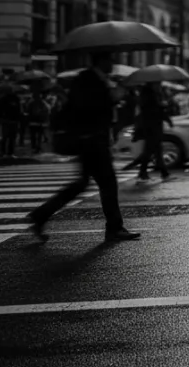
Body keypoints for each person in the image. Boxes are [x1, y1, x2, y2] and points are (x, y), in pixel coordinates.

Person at [27, 52, 140, 242]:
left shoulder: (96, 79)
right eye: (109, 60)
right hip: (90, 140)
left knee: (84, 184)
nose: (112, 64)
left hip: (92, 140)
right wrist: (113, 97)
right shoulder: (87, 79)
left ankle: (41, 215)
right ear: (101, 60)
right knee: (107, 184)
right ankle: (114, 228)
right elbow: (87, 107)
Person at [133, 82, 174, 182]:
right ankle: (161, 173)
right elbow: (153, 111)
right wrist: (162, 106)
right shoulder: (148, 95)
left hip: (153, 126)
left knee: (155, 150)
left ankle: (153, 173)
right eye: (157, 84)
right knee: (152, 150)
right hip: (151, 127)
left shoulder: (153, 94)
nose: (159, 85)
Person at [0, 87, 22, 157]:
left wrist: (18, 118)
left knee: (12, 137)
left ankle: (10, 152)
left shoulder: (15, 98)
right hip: (5, 120)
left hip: (13, 121)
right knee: (5, 137)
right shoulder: (2, 99)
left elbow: (19, 109)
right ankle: (3, 152)